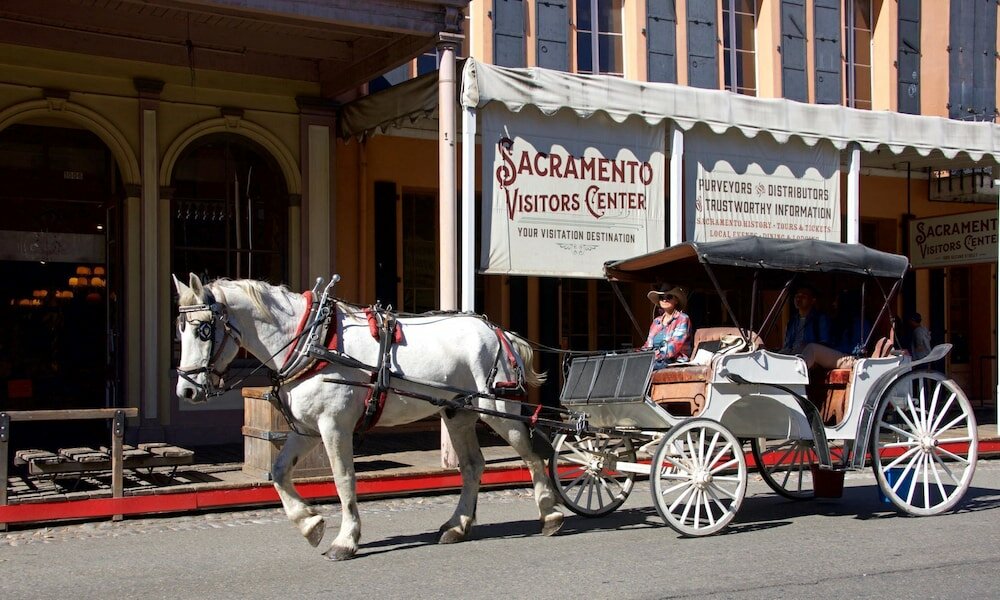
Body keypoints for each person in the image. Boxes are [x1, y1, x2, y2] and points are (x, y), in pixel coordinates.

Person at [641, 284, 691, 369]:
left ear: (676, 300)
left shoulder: (682, 318)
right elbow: (648, 345)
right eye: (661, 297)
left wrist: (654, 356)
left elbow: (674, 345)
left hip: (674, 361)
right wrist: (639, 355)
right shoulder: (656, 321)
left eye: (669, 297)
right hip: (655, 359)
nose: (664, 299)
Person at [780, 283, 830, 355]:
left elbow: (825, 343)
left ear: (813, 300)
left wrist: (807, 347)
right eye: (796, 296)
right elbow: (787, 344)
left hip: (809, 357)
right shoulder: (792, 320)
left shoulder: (820, 319)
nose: (798, 299)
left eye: (803, 297)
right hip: (791, 356)